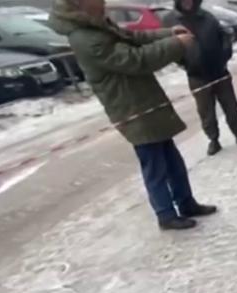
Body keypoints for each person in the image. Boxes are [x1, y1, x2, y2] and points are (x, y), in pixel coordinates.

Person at [48, 0, 216, 231]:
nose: (103, 1)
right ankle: (165, 214)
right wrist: (175, 44)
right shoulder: (86, 37)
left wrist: (167, 33)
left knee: (171, 159)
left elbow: (132, 37)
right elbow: (136, 60)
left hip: (144, 101)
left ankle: (186, 203)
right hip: (131, 109)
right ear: (81, 3)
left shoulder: (98, 25)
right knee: (154, 165)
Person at [174, 0, 237, 156]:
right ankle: (214, 140)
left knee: (230, 106)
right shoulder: (175, 22)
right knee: (206, 111)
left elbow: (224, 36)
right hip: (197, 76)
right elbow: (171, 46)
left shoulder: (208, 17)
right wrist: (185, 63)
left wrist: (225, 54)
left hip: (219, 72)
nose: (187, 2)